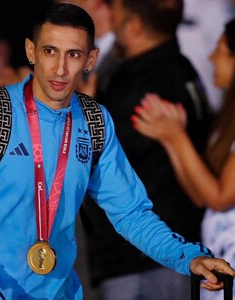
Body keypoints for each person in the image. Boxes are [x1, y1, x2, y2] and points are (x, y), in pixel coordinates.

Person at [0, 3, 235, 300]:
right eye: (50, 51)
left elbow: (130, 213)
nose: (60, 68)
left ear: (91, 59)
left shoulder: (94, 121)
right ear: (30, 51)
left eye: (73, 54)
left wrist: (189, 258)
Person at [132, 14, 235, 300]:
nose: (210, 58)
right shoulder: (234, 123)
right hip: (222, 267)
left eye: (220, 51)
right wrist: (170, 140)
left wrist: (177, 138)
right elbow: (201, 197)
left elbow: (221, 197)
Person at [78, 1, 212, 299]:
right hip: (158, 253)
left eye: (116, 15)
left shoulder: (145, 87)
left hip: (144, 261)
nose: (109, 21)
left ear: (135, 27)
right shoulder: (179, 68)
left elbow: (97, 160)